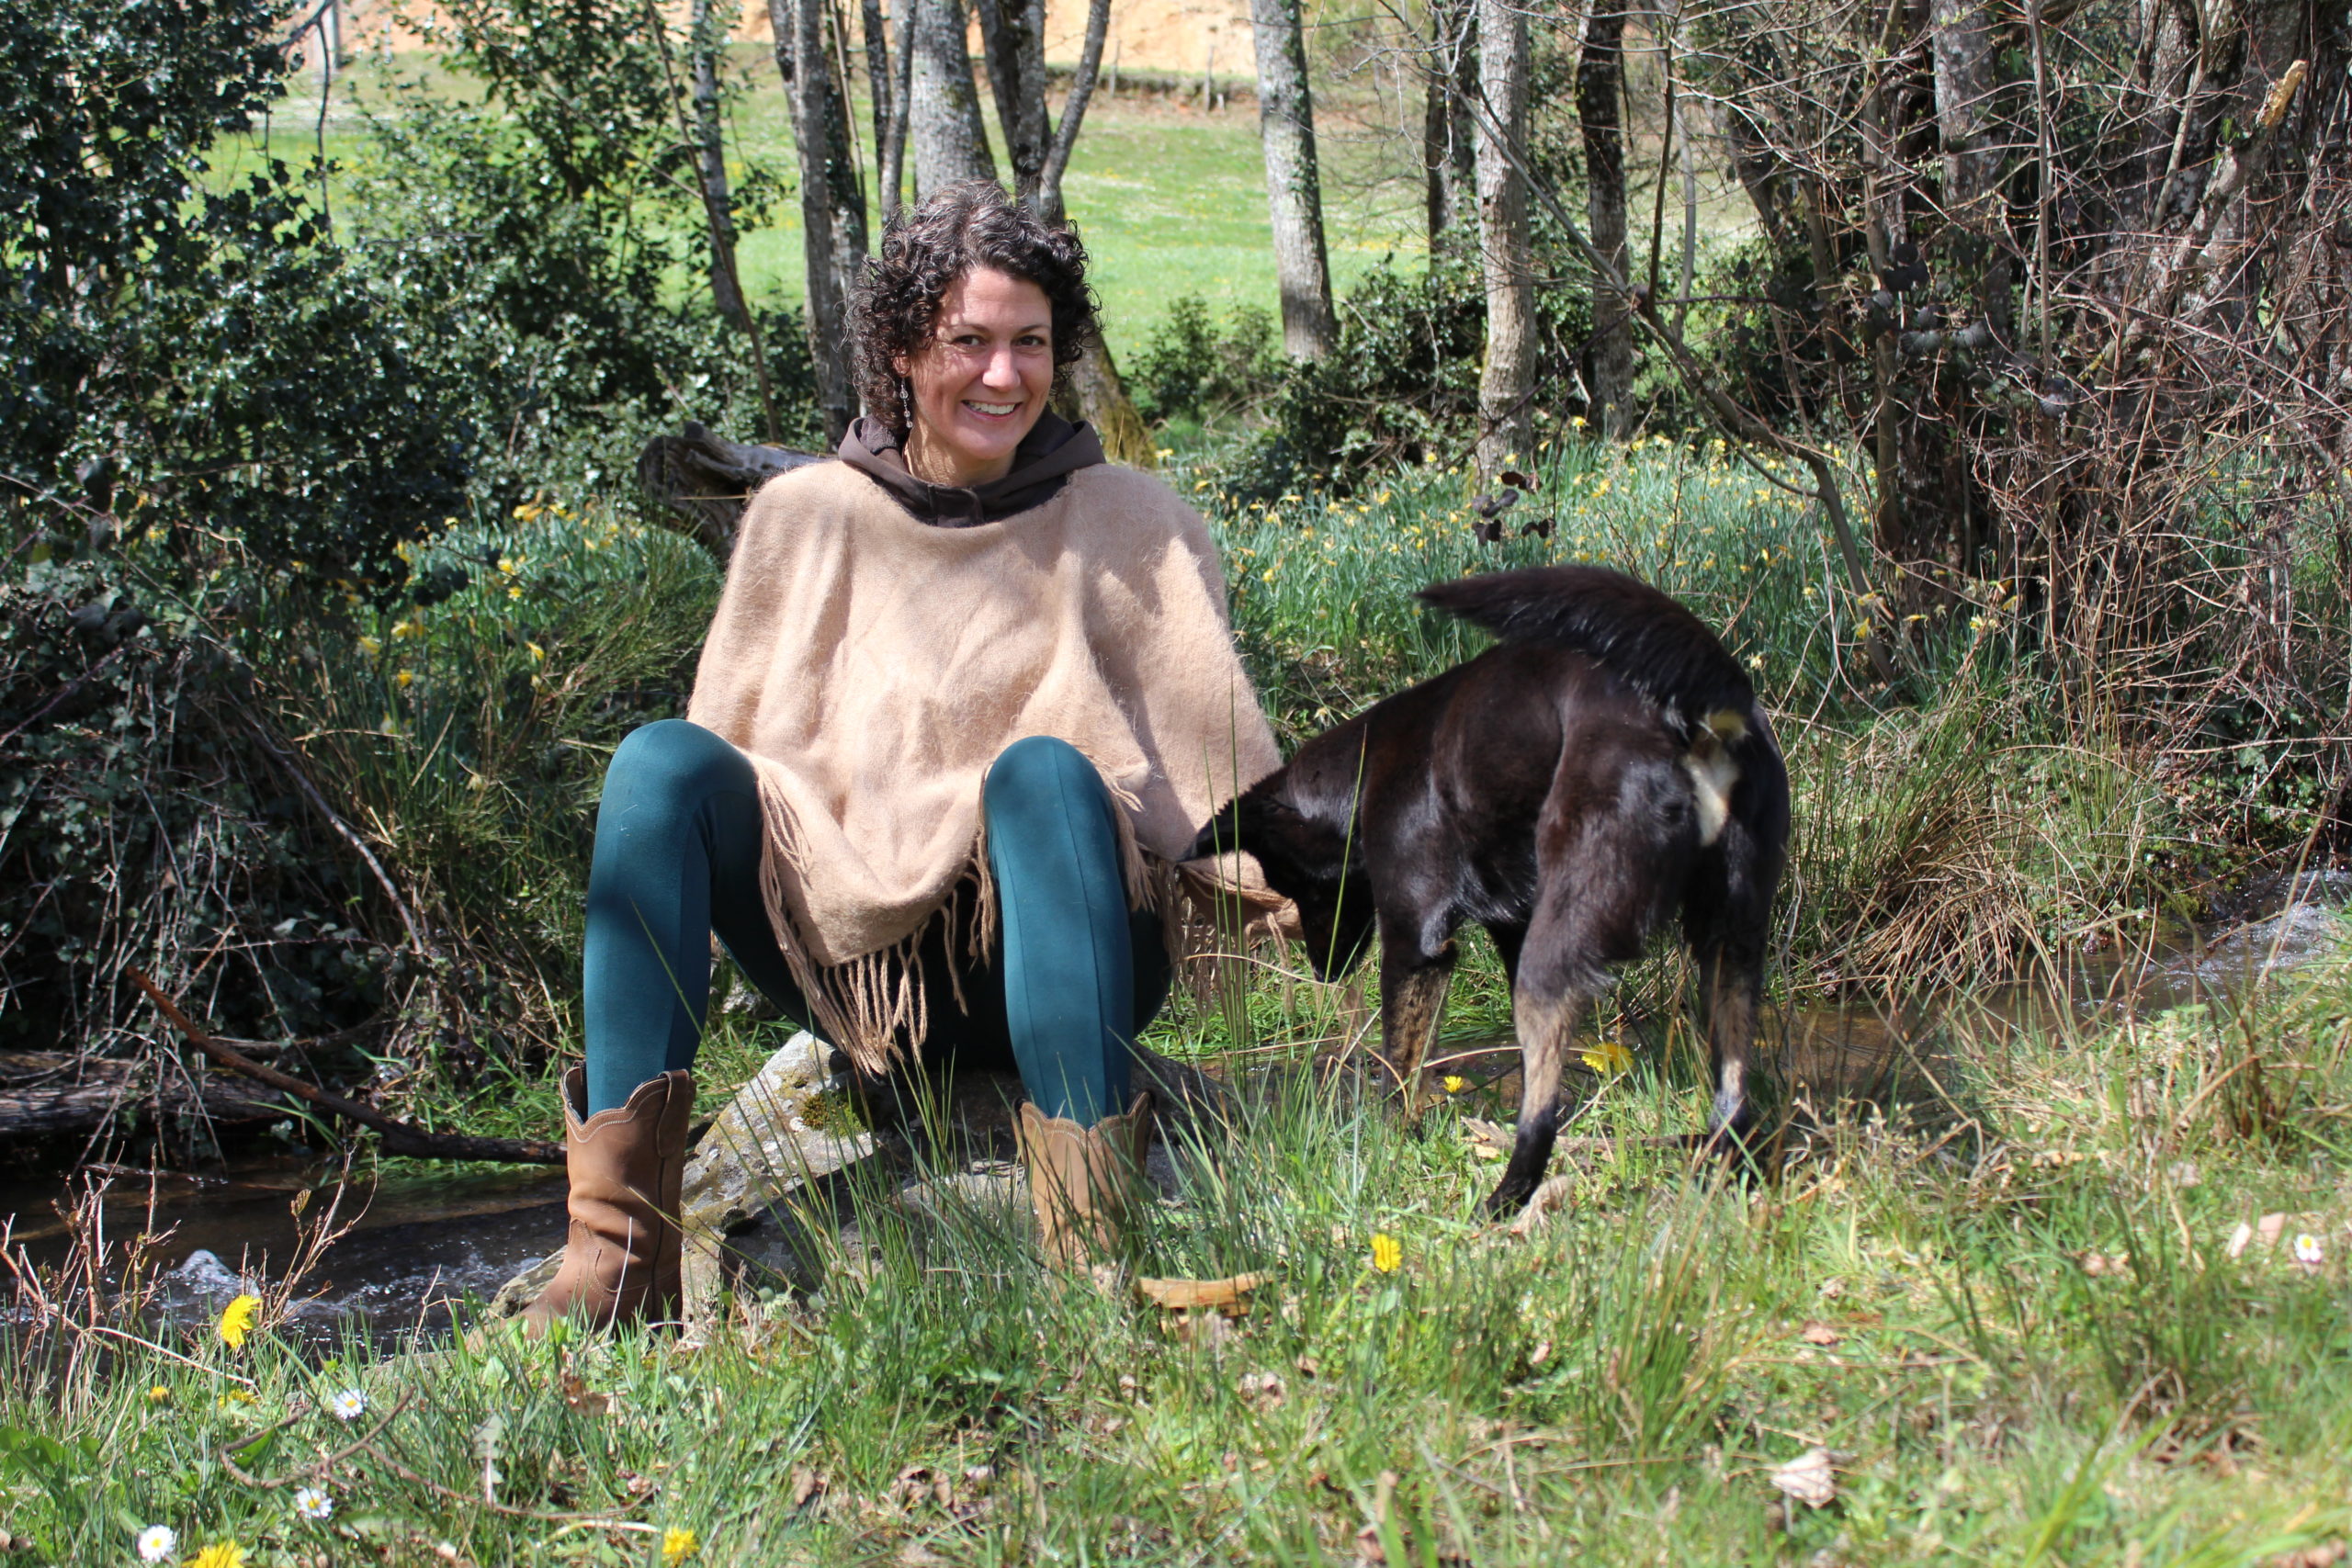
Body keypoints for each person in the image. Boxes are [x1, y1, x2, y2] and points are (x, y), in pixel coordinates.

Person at [520, 181, 1283, 1332]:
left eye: (1030, 343)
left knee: (1041, 771)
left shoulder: (1132, 516)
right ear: (899, 349)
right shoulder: (806, 515)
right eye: (966, 341)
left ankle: (1088, 1258)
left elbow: (1223, 781)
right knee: (658, 765)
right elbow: (736, 764)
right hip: (863, 975)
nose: (1001, 375)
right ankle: (619, 1261)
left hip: (1073, 934)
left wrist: (1293, 876)